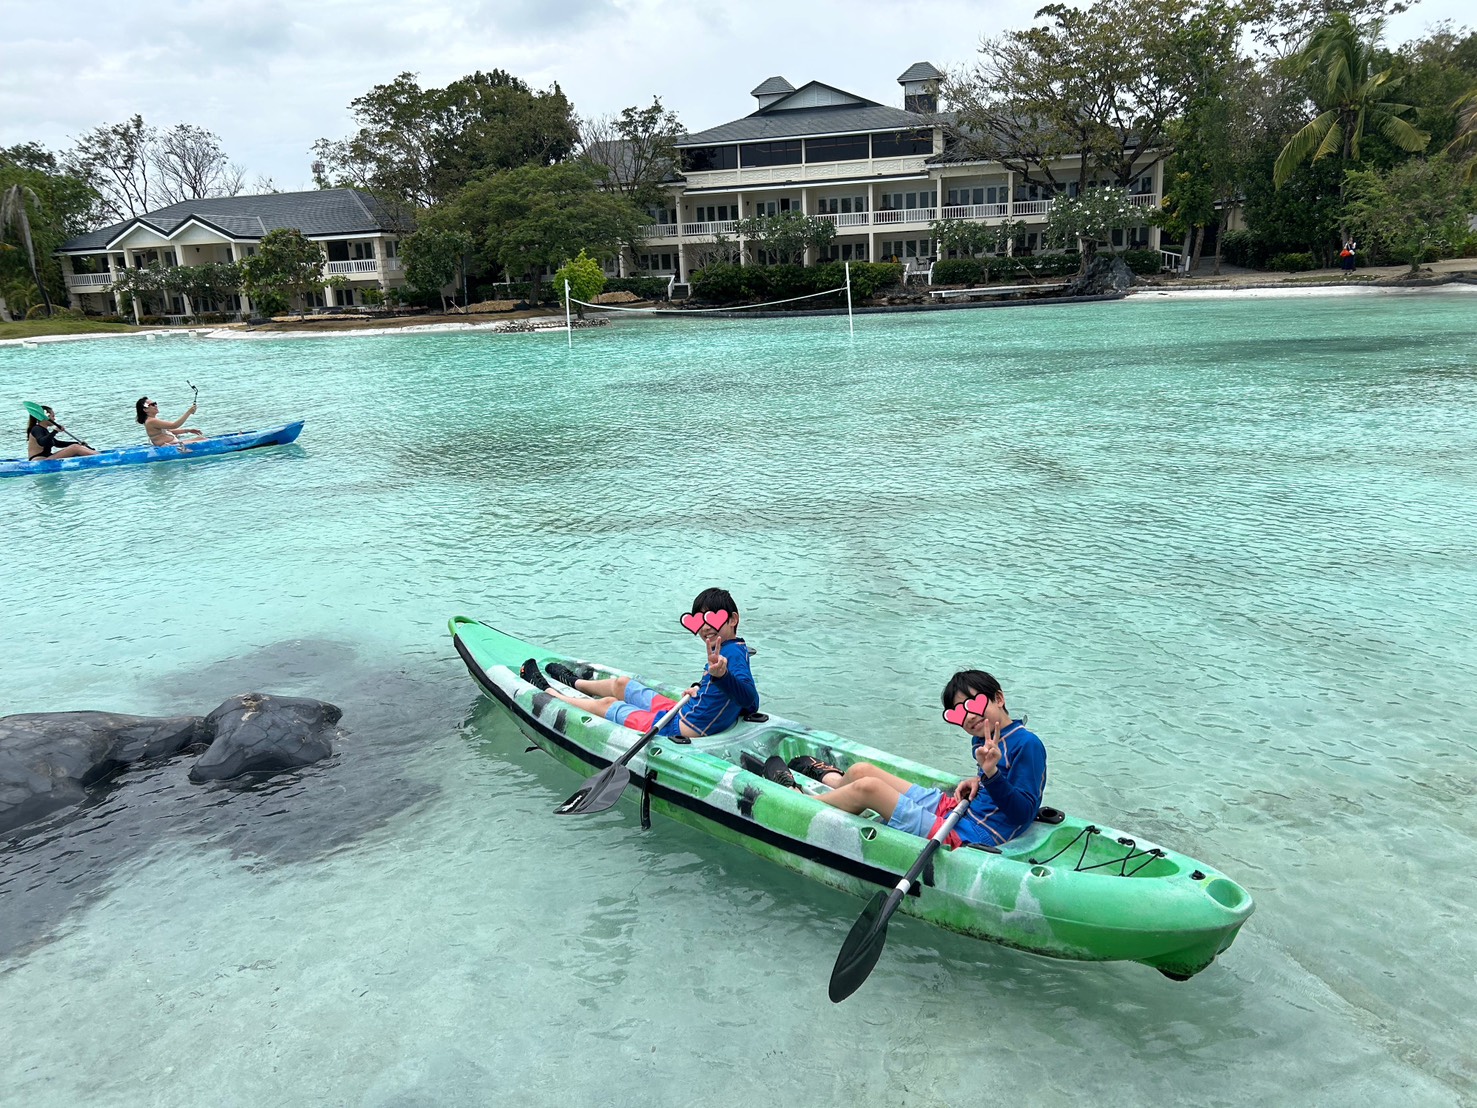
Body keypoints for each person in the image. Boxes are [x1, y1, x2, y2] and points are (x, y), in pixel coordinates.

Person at [791, 669, 1047, 849]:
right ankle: (836, 785)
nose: (969, 716)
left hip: (970, 835)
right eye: (959, 712)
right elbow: (1000, 783)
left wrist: (991, 775)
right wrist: (979, 779)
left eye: (974, 704)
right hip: (959, 811)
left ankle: (802, 803)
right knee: (861, 771)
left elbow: (1023, 813)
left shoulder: (1028, 744)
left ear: (998, 698)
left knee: (870, 788)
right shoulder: (982, 738)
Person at [520, 587, 759, 742]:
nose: (705, 627)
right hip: (686, 710)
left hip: (682, 727)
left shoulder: (731, 656)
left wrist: (722, 677)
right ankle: (575, 682)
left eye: (711, 618)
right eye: (700, 620)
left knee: (608, 704)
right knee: (623, 684)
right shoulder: (733, 647)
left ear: (733, 619)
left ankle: (549, 692)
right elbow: (738, 696)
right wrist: (703, 687)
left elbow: (749, 698)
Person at [26, 405, 97, 461]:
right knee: (75, 448)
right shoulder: (36, 429)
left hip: (46, 458)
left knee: (75, 446)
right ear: (46, 417)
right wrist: (55, 431)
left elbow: (57, 443)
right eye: (53, 416)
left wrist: (78, 443)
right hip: (39, 461)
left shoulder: (43, 430)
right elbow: (42, 442)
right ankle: (98, 456)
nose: (54, 419)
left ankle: (93, 454)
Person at [136, 396, 205, 445]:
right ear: (145, 409)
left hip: (173, 444)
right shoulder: (151, 421)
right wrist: (189, 412)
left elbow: (169, 431)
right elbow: (174, 425)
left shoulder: (152, 420)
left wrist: (188, 430)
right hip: (170, 446)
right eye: (152, 405)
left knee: (200, 438)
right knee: (202, 439)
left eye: (155, 403)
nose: (156, 405)